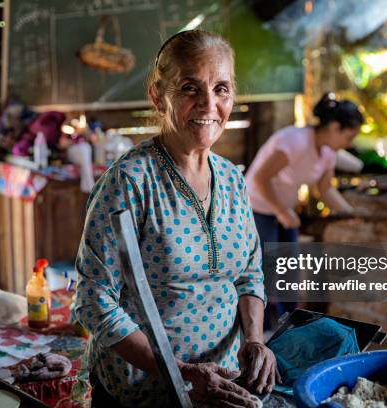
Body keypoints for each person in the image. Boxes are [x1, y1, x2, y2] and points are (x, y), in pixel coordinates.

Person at [74, 30, 278, 407]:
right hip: (141, 391)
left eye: (221, 88)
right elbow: (93, 300)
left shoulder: (232, 178)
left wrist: (254, 340)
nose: (209, 104)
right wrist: (180, 371)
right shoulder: (129, 182)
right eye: (189, 88)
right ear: (157, 95)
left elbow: (249, 274)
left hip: (222, 388)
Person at [245, 93, 364, 322]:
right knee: (263, 271)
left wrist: (348, 213)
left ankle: (288, 325)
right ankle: (258, 328)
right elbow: (260, 178)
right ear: (335, 127)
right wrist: (281, 211)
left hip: (284, 212)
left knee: (290, 271)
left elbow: (326, 189)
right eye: (349, 136)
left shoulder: (328, 153)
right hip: (257, 208)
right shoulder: (295, 141)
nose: (350, 144)